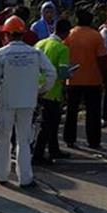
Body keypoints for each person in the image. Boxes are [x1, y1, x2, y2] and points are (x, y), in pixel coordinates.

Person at [0, 16, 57, 187]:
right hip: (28, 101)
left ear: (7, 35)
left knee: (3, 138)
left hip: (6, 101)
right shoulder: (35, 53)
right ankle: (25, 177)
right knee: (24, 140)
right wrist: (40, 91)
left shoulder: (1, 54)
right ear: (23, 34)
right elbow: (51, 73)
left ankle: (1, 175)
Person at [63, 9, 107, 150]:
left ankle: (69, 138)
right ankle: (93, 140)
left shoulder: (70, 35)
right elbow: (101, 58)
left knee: (71, 111)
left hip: (73, 78)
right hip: (93, 78)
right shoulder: (96, 36)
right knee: (93, 112)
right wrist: (104, 76)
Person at [34, 19, 73, 165]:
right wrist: (70, 73)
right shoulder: (62, 48)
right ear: (66, 33)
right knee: (48, 124)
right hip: (52, 91)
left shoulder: (40, 44)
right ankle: (38, 154)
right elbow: (63, 73)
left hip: (37, 89)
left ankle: (54, 149)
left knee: (50, 123)